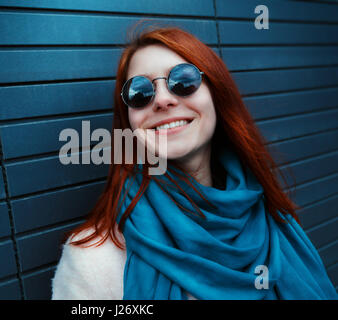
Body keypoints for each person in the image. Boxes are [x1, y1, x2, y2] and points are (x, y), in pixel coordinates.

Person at [51, 26, 337, 300]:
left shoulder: (272, 216)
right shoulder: (93, 261)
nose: (162, 99)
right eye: (140, 91)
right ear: (129, 120)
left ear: (217, 94)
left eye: (183, 80)